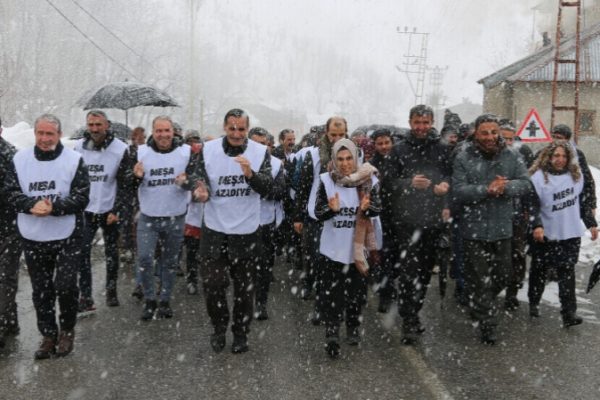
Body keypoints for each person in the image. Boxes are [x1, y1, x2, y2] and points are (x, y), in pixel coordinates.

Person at [5, 114, 90, 359]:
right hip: (32, 234)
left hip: (66, 234)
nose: (44, 139)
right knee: (41, 289)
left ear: (59, 135)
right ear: (34, 134)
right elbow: (9, 192)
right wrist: (30, 204)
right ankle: (48, 334)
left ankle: (67, 330)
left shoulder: (74, 160)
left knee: (65, 285)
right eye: (40, 133)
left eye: (49, 134)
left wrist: (55, 207)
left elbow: (82, 196)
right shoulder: (19, 159)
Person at [194, 109, 273, 354]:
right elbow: (196, 176)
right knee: (213, 284)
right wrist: (201, 188)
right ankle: (219, 328)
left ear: (247, 129)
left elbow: (270, 188)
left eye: (241, 129)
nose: (237, 134)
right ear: (224, 127)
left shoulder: (260, 153)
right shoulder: (208, 149)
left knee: (244, 289)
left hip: (246, 231)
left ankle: (240, 332)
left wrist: (250, 175)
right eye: (232, 128)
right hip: (215, 229)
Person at [452, 113, 531, 345]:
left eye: (493, 132)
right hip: (473, 229)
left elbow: (526, 184)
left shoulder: (512, 156)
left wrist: (505, 186)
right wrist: (486, 189)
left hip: (502, 228)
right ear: (476, 133)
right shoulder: (463, 157)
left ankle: (479, 303)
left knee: (504, 276)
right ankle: (488, 325)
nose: (490, 137)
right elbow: (459, 190)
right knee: (478, 278)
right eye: (484, 132)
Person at [388, 105, 451, 345]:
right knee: (408, 272)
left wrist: (444, 186)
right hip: (406, 220)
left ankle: (415, 308)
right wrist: (408, 183)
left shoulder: (442, 148)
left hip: (433, 221)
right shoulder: (400, 149)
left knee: (425, 273)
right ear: (410, 122)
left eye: (425, 122)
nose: (421, 127)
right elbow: (388, 181)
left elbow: (450, 174)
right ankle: (409, 319)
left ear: (432, 122)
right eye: (417, 122)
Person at [314, 138, 381, 357]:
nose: (345, 163)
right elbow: (317, 213)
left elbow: (378, 209)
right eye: (340, 159)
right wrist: (331, 210)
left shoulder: (368, 180)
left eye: (349, 158)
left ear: (356, 157)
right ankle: (332, 332)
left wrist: (368, 209)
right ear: (334, 159)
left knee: (356, 294)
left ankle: (352, 326)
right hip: (332, 250)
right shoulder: (326, 180)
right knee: (331, 294)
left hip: (357, 252)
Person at [133, 115, 198, 321]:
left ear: (173, 132)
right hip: (148, 217)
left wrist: (186, 182)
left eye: (166, 130)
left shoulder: (185, 152)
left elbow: (196, 181)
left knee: (170, 262)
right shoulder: (141, 152)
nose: (163, 135)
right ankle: (150, 299)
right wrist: (135, 177)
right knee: (145, 258)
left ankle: (165, 300)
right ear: (153, 132)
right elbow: (126, 184)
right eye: (159, 131)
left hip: (175, 216)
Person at [528, 141, 597, 325]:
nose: (560, 160)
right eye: (556, 156)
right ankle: (533, 303)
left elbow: (581, 203)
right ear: (548, 157)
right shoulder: (538, 178)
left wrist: (591, 223)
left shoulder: (576, 177)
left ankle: (569, 313)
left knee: (567, 272)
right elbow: (532, 205)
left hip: (570, 234)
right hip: (545, 234)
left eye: (564, 156)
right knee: (539, 271)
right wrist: (537, 225)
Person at [74, 110, 130, 311]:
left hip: (109, 208)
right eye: (91, 125)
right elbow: (74, 179)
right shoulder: (79, 147)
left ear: (107, 125)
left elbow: (124, 184)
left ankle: (111, 289)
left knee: (111, 253)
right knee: (82, 253)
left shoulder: (120, 148)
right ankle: (86, 295)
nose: (95, 129)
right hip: (86, 209)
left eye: (98, 125)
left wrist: (117, 209)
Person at [294, 117, 347, 316]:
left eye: (341, 135)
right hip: (315, 215)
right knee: (314, 256)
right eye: (333, 134)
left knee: (334, 262)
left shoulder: (354, 155)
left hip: (342, 217)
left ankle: (331, 300)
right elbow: (303, 187)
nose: (337, 139)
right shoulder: (314, 155)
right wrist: (298, 216)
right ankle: (311, 286)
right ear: (326, 133)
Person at [248, 127, 286, 320]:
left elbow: (280, 191)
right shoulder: (237, 162)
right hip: (242, 223)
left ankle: (260, 303)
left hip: (265, 222)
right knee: (245, 268)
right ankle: (245, 302)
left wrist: (260, 186)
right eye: (255, 143)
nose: (260, 148)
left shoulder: (277, 164)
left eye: (263, 144)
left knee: (263, 266)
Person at [499, 122, 534, 310]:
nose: (506, 142)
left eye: (510, 138)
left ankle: (512, 292)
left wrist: (528, 209)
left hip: (517, 214)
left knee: (517, 253)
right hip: (494, 215)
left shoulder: (522, 156)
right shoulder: (489, 155)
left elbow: (528, 184)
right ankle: (489, 290)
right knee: (495, 254)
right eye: (503, 138)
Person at [368, 128, 400, 313]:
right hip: (380, 218)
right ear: (375, 145)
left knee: (396, 258)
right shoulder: (371, 166)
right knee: (383, 257)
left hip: (400, 218)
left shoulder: (399, 161)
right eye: (380, 143)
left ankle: (390, 287)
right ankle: (385, 294)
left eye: (387, 142)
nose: (384, 146)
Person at [0, 116, 22, 348]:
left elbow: (14, 191)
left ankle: (3, 322)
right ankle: (10, 318)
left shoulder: (10, 155)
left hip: (9, 225)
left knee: (6, 276)